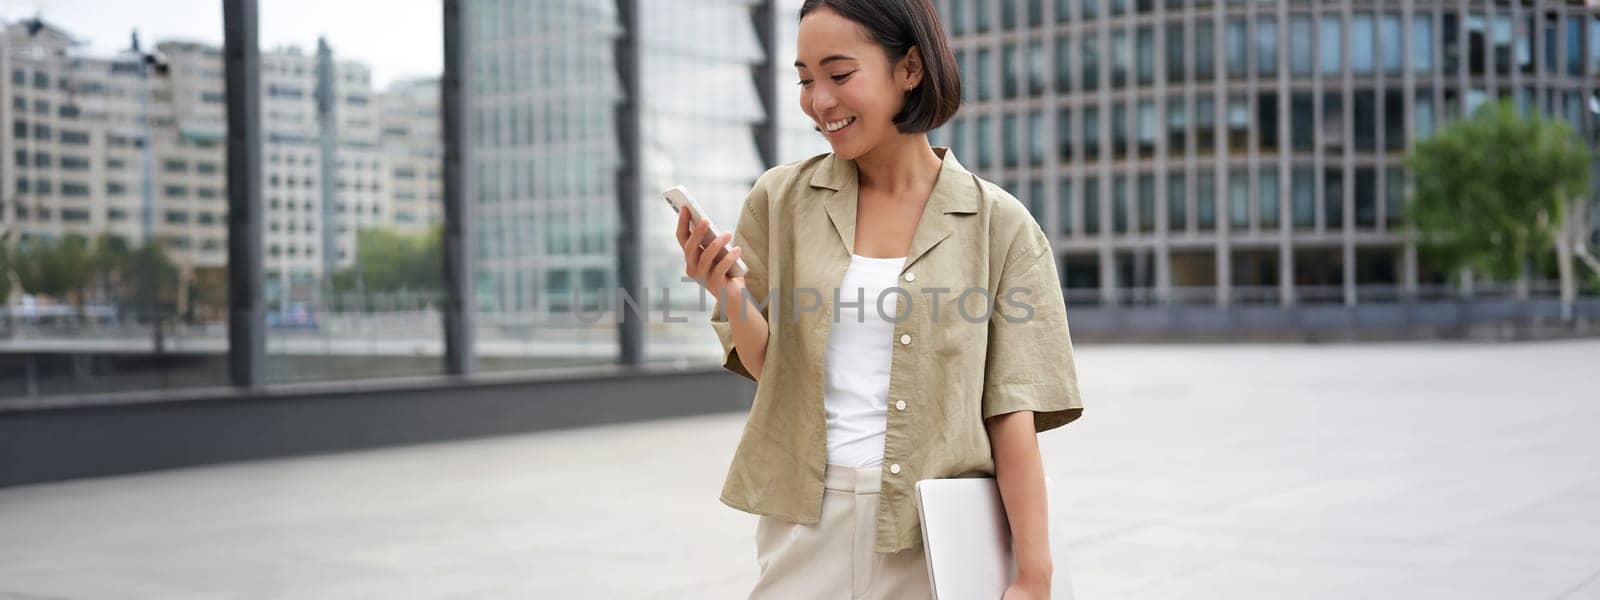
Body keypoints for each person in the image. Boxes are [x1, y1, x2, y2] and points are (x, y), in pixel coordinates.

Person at [675, 1, 1085, 597]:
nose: (819, 101)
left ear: (911, 68)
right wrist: (731, 292)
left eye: (840, 75)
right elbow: (777, 376)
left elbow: (1010, 416)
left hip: (933, 536)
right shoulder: (780, 200)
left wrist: (1033, 573)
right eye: (805, 79)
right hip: (804, 523)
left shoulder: (1002, 226)